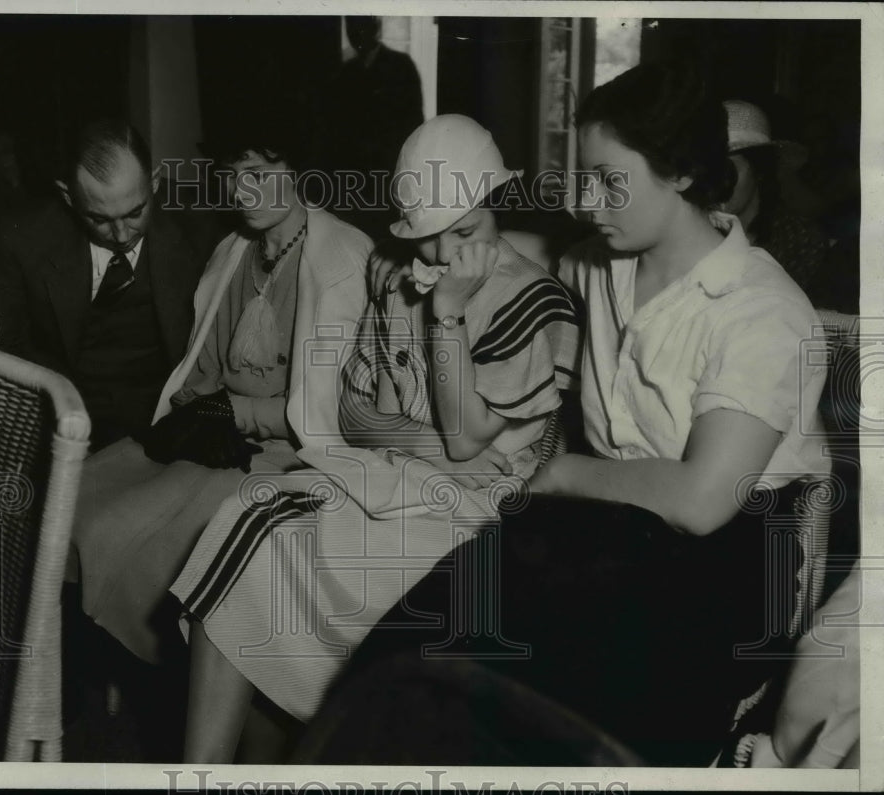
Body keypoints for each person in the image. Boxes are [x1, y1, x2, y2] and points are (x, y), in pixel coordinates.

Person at [317, 62, 831, 767]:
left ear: (681, 171)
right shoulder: (600, 263)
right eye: (583, 177)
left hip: (728, 559)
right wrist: (440, 253)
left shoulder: (762, 310)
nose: (587, 200)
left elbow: (704, 500)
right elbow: (497, 249)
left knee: (552, 704)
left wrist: (561, 472)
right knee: (416, 644)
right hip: (608, 522)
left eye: (608, 180)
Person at [169, 114, 583, 762]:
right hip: (394, 474)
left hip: (480, 513)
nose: (446, 256)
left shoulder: (532, 300)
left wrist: (446, 314)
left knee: (257, 531)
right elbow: (355, 411)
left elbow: (469, 443)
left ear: (494, 202)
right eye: (429, 239)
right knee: (244, 520)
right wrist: (421, 443)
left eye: (465, 232)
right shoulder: (392, 273)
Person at [66, 113, 372, 738]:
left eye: (258, 175)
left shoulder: (344, 256)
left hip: (293, 458)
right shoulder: (234, 251)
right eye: (232, 177)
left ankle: (160, 696)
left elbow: (338, 406)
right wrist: (196, 413)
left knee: (140, 529)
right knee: (79, 500)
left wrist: (246, 414)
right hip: (217, 437)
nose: (241, 193)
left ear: (298, 172)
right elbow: (201, 368)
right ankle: (98, 685)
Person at [0, 118, 206, 451]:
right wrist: (62, 404)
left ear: (154, 181)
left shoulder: (200, 223)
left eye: (135, 213)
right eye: (99, 219)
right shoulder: (25, 238)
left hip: (168, 419)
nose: (121, 235)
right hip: (63, 420)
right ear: (68, 198)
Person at [326, 16, 424, 239]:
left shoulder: (400, 67)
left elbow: (413, 123)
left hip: (389, 176)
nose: (357, 33)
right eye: (352, 27)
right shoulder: (345, 74)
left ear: (376, 28)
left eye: (363, 26)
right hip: (353, 181)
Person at [721, 100, 829, 299]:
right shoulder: (695, 232)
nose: (717, 182)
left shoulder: (798, 240)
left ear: (759, 170)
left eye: (728, 170)